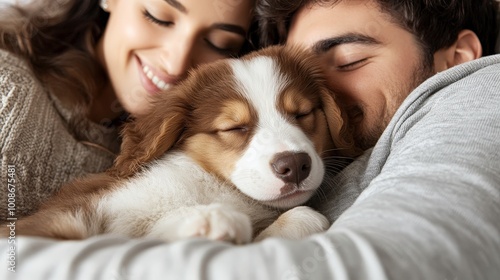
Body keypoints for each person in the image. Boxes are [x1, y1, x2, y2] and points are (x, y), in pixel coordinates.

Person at [1, 0, 500, 279]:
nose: (335, 95)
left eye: (348, 61)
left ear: (459, 57)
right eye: (158, 14)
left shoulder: (479, 97)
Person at [0, 0, 258, 220]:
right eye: (158, 18)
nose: (175, 64)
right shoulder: (9, 83)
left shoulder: (193, 159)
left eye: (219, 44)